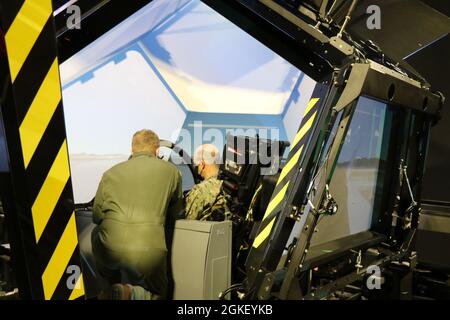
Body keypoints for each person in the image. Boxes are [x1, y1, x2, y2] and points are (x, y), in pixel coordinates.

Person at [91, 129, 183, 300]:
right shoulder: (172, 172)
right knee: (159, 293)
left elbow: (96, 216)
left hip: (108, 247)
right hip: (147, 251)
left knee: (97, 236)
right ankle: (130, 293)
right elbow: (177, 213)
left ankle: (112, 287)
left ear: (132, 150)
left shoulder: (110, 173)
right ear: (157, 151)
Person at [185, 144, 230, 221]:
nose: (196, 168)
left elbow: (186, 222)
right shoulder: (227, 186)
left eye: (197, 165)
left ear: (202, 164)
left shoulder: (200, 190)